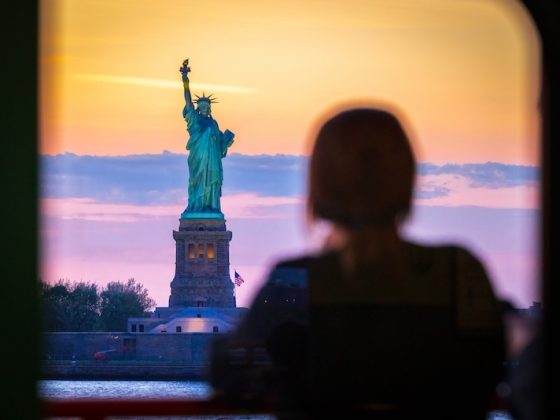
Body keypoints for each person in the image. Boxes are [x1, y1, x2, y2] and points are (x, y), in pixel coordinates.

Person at [209, 107, 506, 419]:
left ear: (319, 186)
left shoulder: (294, 279)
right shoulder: (460, 271)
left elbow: (231, 375)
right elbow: (487, 373)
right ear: (407, 179)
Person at [180, 59, 235, 217]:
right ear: (198, 108)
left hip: (212, 160)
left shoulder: (213, 123)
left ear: (209, 109)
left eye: (206, 107)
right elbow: (188, 102)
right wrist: (185, 81)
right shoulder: (195, 120)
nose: (204, 109)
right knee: (197, 183)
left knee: (212, 183)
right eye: (201, 107)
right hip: (199, 159)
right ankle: (196, 206)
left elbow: (220, 146)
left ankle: (211, 207)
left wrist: (226, 140)